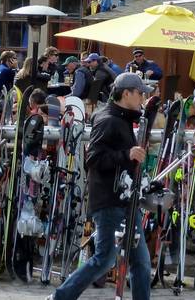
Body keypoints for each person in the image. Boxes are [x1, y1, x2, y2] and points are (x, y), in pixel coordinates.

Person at [49, 72, 153, 300]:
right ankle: (59, 297)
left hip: (126, 199)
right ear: (126, 94)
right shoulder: (109, 120)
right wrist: (127, 154)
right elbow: (93, 159)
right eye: (140, 93)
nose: (143, 98)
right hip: (109, 201)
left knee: (141, 262)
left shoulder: (121, 117)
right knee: (104, 259)